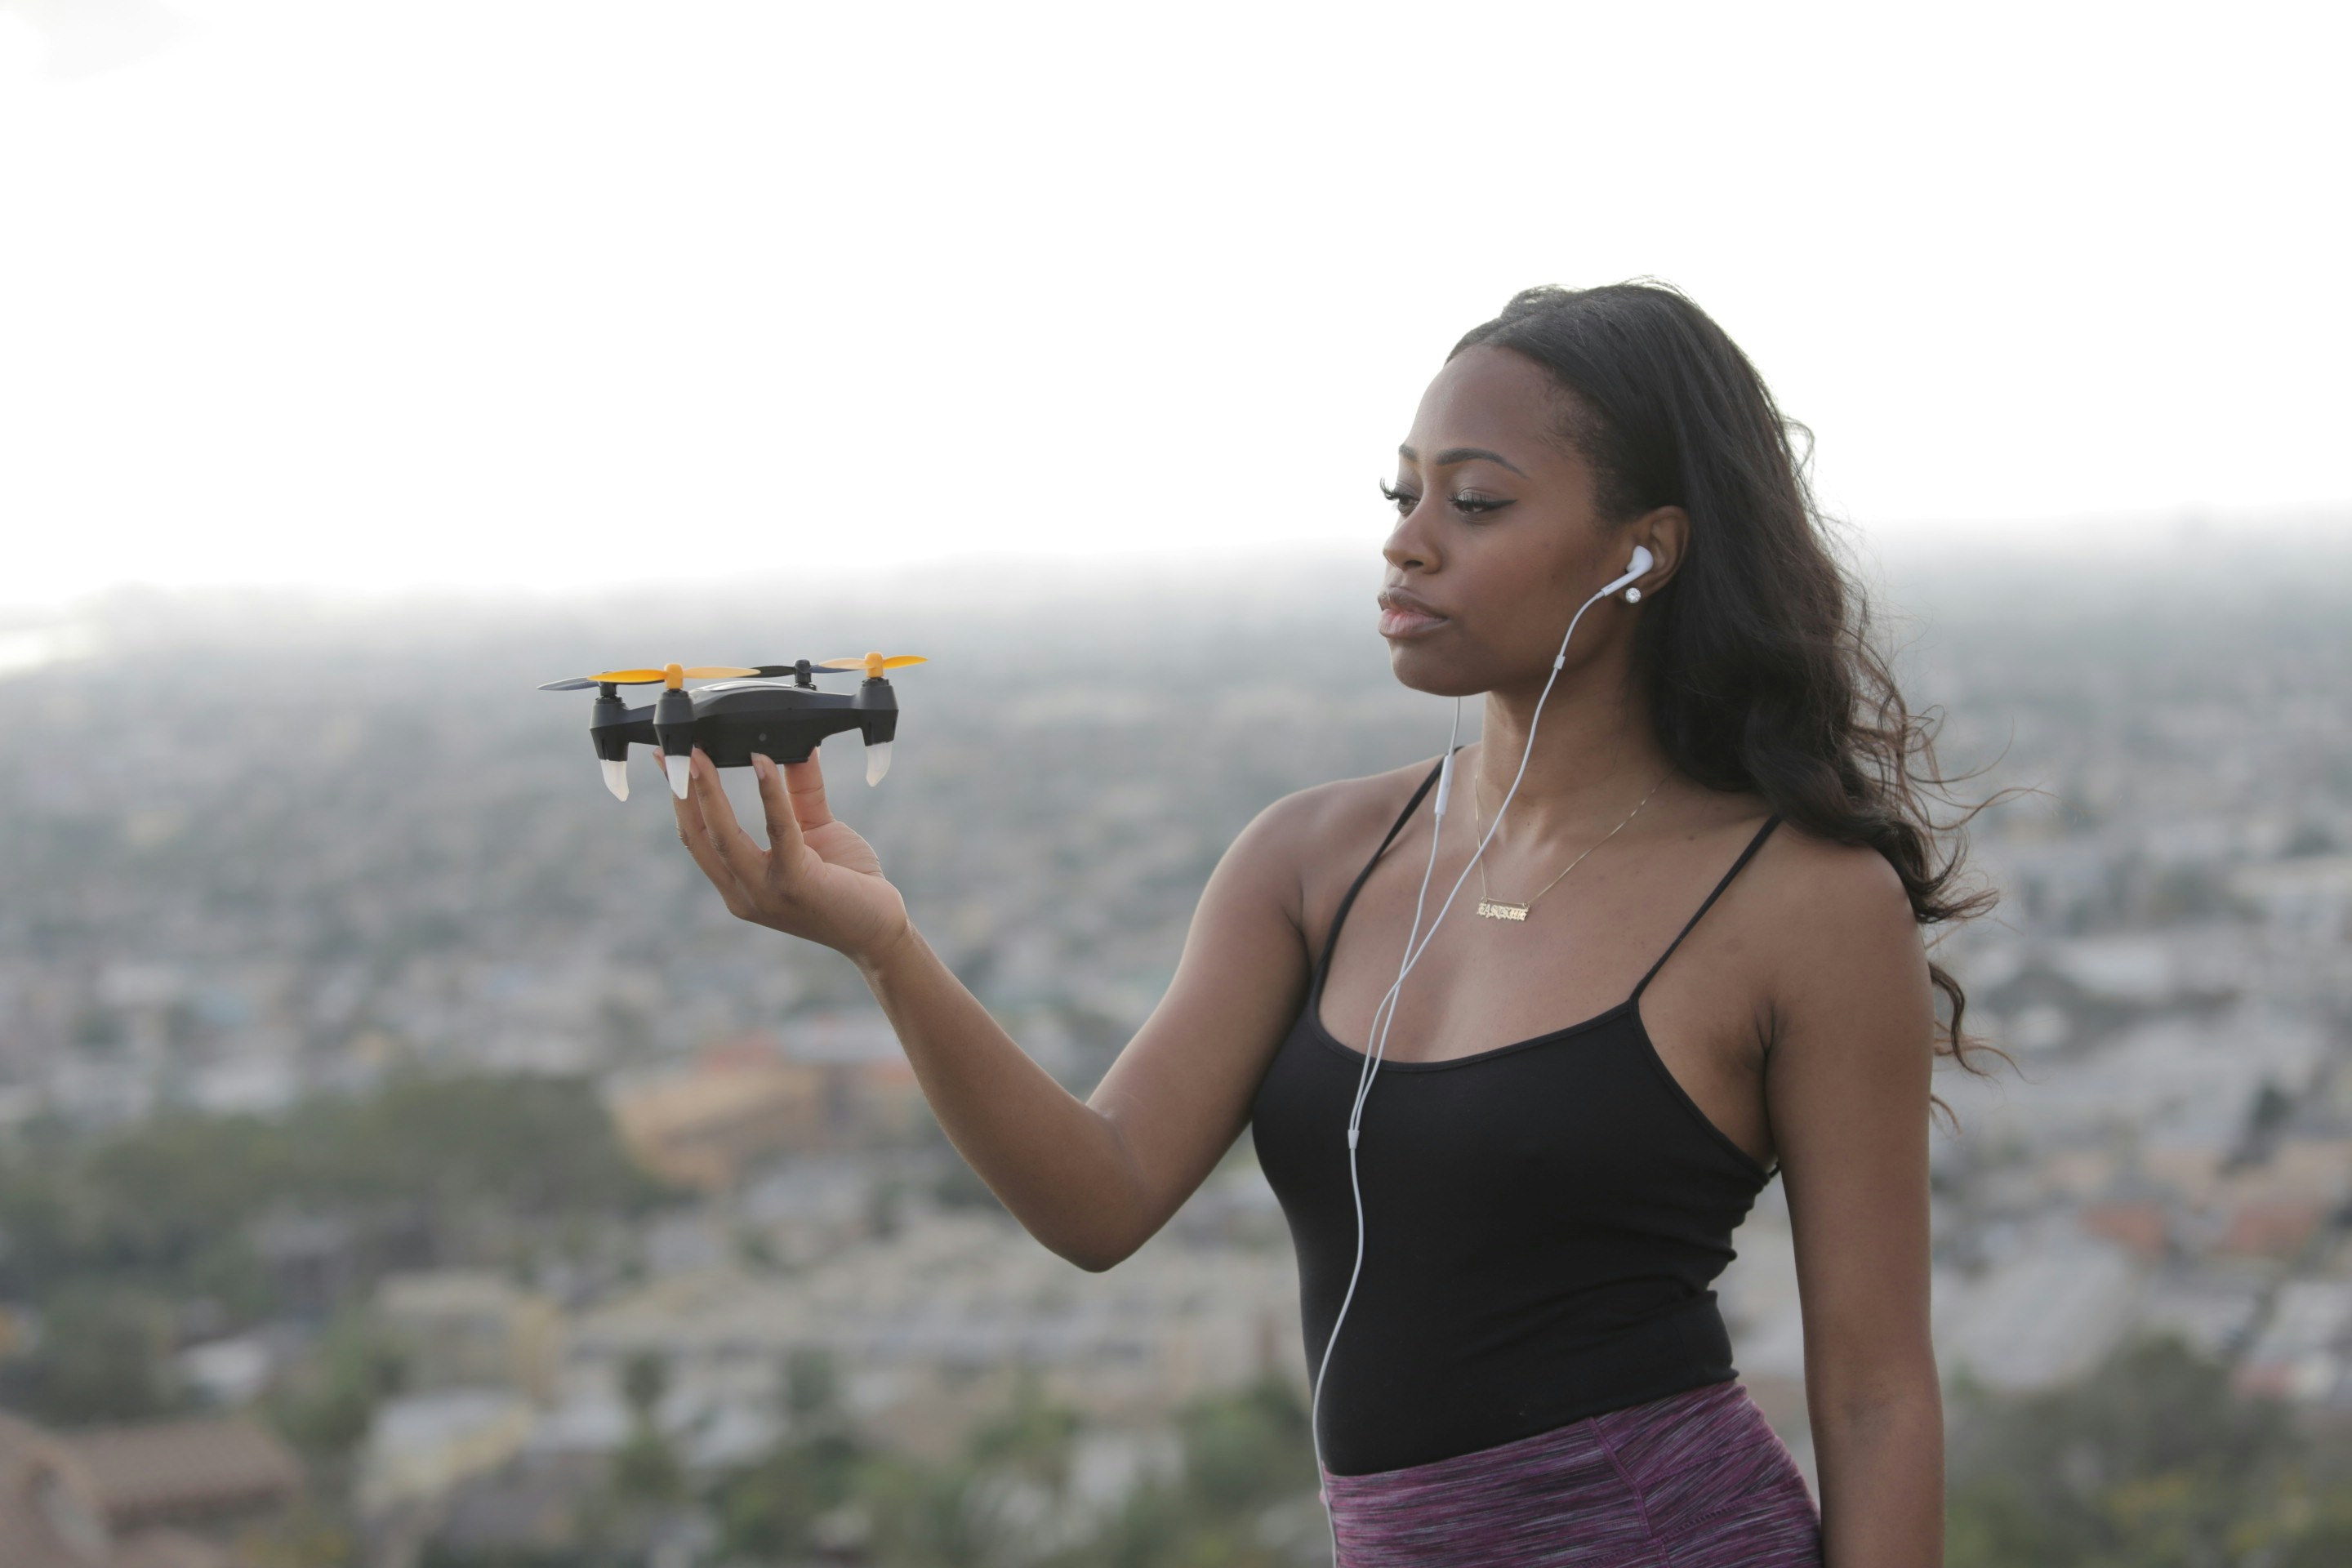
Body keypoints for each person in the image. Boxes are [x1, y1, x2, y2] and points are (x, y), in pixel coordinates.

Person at [665, 281, 1997, 1566]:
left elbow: (1878, 1398)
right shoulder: (1311, 860)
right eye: (1402, 492)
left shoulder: (1804, 904)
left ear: (1642, 550)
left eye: (1475, 502)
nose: (1408, 539)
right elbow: (1100, 1198)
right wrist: (885, 947)